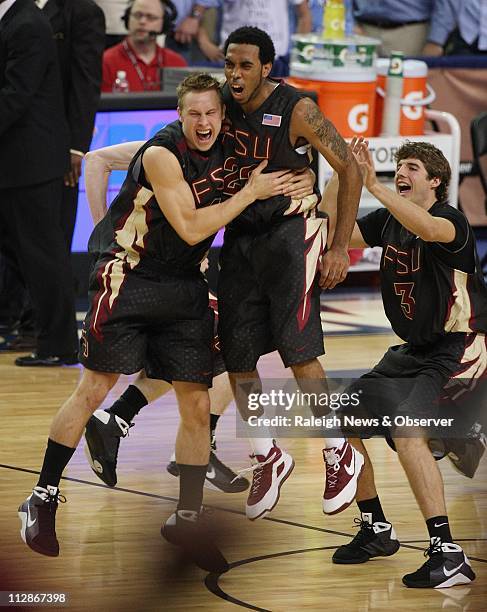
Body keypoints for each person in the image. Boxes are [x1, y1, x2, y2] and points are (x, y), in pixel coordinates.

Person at [17, 73, 305, 573]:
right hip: (130, 275)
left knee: (196, 400)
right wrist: (250, 192)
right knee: (94, 388)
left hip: (185, 282)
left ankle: (187, 520)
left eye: (211, 113)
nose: (204, 122)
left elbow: (287, 166)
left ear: (222, 115)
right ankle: (41, 497)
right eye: (194, 114)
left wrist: (300, 181)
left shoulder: (233, 145)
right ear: (180, 115)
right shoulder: (160, 153)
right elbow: (192, 225)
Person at [80, 136, 315, 493]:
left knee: (216, 354)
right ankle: (128, 422)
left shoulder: (236, 157)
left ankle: (134, 424)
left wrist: (308, 178)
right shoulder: (166, 150)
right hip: (144, 271)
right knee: (220, 351)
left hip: (182, 269)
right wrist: (104, 233)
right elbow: (95, 160)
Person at [218, 26, 364, 521]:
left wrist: (340, 246)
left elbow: (350, 169)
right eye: (229, 64)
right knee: (236, 356)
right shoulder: (217, 105)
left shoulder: (297, 109)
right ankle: (268, 454)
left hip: (291, 237)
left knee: (298, 352)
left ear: (266, 68)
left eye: (244, 65)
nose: (234, 74)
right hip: (239, 238)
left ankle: (336, 449)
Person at [326, 137, 484, 588]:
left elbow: (430, 232)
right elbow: (333, 226)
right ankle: (375, 528)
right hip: (413, 353)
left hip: (458, 348)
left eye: (412, 167)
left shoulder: (450, 219)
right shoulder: (388, 222)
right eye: (400, 166)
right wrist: (344, 172)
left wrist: (374, 186)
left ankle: (448, 553)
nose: (403, 172)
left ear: (435, 181)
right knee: (341, 419)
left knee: (407, 430)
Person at [0, 0, 105, 354]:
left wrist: (76, 147)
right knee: (22, 249)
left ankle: (56, 341)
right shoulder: (21, 17)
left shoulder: (40, 20)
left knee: (43, 250)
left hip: (41, 150)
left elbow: (83, 82)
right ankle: (32, 329)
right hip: (21, 151)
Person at [101, 0, 186, 92]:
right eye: (137, 15)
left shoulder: (177, 63)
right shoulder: (107, 62)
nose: (142, 21)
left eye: (150, 17)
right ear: (127, 19)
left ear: (164, 23)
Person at [353, 0, 433, 57]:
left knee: (406, 78)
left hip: (410, 32)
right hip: (363, 30)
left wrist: (436, 40)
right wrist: (351, 24)